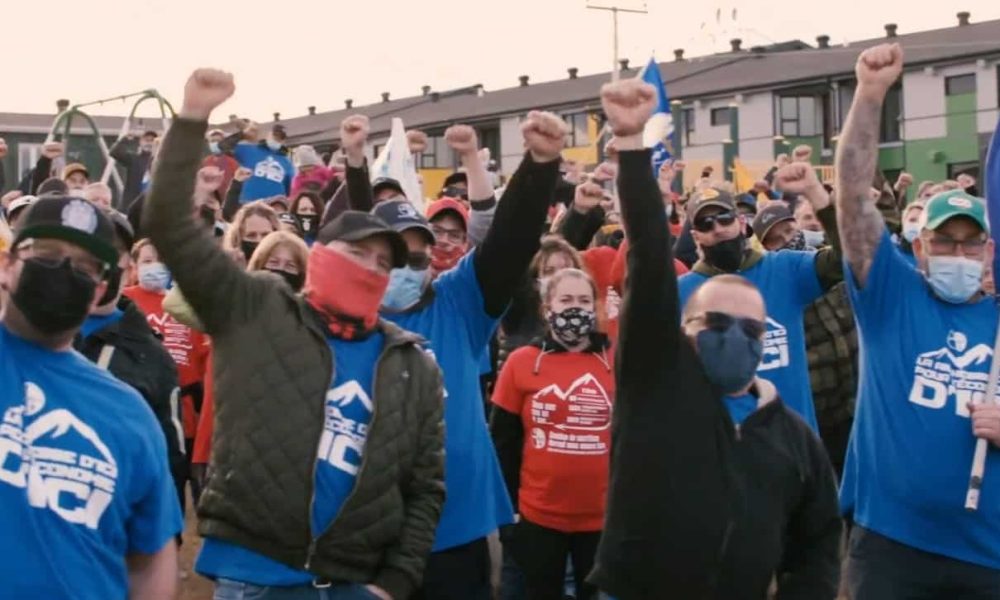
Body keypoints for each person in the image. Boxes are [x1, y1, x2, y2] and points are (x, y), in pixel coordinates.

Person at [145, 68, 445, 600]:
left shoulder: (409, 362)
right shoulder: (257, 309)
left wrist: (395, 581)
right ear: (321, 255)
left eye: (383, 263)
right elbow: (169, 225)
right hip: (255, 576)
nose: (371, 269)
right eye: (357, 254)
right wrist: (192, 119)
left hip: (355, 583)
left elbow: (425, 487)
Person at [589, 78, 840, 599]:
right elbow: (648, 257)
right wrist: (632, 147)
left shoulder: (794, 437)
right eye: (717, 325)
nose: (735, 338)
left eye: (752, 329)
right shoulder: (653, 398)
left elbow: (816, 545)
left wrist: (822, 197)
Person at [350, 117, 563, 598]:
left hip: (455, 529)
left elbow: (509, 243)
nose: (408, 269)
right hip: (367, 532)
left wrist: (540, 164)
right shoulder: (343, 319)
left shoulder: (457, 302)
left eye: (419, 257)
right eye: (395, 257)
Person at [836, 43, 1000, 598]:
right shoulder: (891, 296)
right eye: (944, 241)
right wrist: (870, 94)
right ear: (919, 246)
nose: (959, 253)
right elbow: (853, 199)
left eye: (970, 243)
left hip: (988, 554)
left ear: (989, 251)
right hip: (891, 546)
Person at [0, 194, 182, 598]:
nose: (63, 272)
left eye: (83, 267)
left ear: (99, 290)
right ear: (7, 266)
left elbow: (151, 559)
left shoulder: (130, 413)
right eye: (47, 255)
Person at [677, 161, 843, 430]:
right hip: (723, 443)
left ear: (741, 222)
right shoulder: (681, 292)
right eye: (705, 224)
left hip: (792, 439)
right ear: (696, 237)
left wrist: (815, 192)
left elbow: (847, 257)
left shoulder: (786, 268)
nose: (717, 228)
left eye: (724, 218)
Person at [492, 268, 614, 600]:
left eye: (584, 301)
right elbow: (503, 443)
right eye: (566, 299)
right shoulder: (521, 362)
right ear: (547, 308)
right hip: (539, 516)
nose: (575, 308)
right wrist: (508, 513)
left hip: (602, 520)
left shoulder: (616, 360)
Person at [75, 210, 187, 527]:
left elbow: (170, 460)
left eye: (113, 251)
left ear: (128, 266)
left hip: (113, 526)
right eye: (90, 247)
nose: (100, 261)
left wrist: (163, 537)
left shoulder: (151, 356)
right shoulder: (35, 334)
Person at [190, 230, 310, 483]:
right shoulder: (235, 312)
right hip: (220, 443)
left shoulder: (308, 325)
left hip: (277, 452)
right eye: (273, 263)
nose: (280, 271)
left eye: (290, 266)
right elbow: (176, 303)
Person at [123, 238, 210, 507]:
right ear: (134, 267)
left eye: (161, 260)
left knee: (175, 494)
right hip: (139, 409)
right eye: (147, 261)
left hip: (185, 415)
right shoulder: (125, 301)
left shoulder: (186, 305)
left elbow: (203, 362)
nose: (155, 266)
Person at [221, 122, 294, 203]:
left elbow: (289, 190)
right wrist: (243, 134)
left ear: (283, 141)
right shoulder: (250, 150)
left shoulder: (287, 162)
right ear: (269, 135)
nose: (276, 140)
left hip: (274, 206)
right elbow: (223, 146)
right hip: (247, 203)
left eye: (280, 138)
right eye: (275, 136)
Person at [110, 130, 158, 208]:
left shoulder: (160, 162)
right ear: (140, 142)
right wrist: (125, 139)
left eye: (152, 140)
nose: (149, 143)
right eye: (146, 140)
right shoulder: (134, 159)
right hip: (131, 205)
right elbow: (115, 152)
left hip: (151, 206)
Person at [897, 200, 924, 267]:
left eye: (920, 221)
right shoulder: (891, 253)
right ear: (903, 222)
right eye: (912, 220)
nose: (915, 224)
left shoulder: (931, 259)